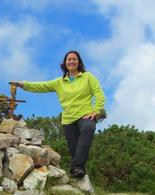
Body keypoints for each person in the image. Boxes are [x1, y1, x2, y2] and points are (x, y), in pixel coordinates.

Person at [11, 50, 105, 178]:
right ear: (65, 63)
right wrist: (24, 85)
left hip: (85, 116)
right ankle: (79, 173)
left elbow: (99, 93)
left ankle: (75, 167)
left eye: (74, 59)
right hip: (68, 120)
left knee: (89, 128)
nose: (72, 61)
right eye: (69, 59)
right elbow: (41, 86)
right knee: (75, 150)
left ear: (79, 62)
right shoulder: (59, 82)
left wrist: (97, 110)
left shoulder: (88, 77)